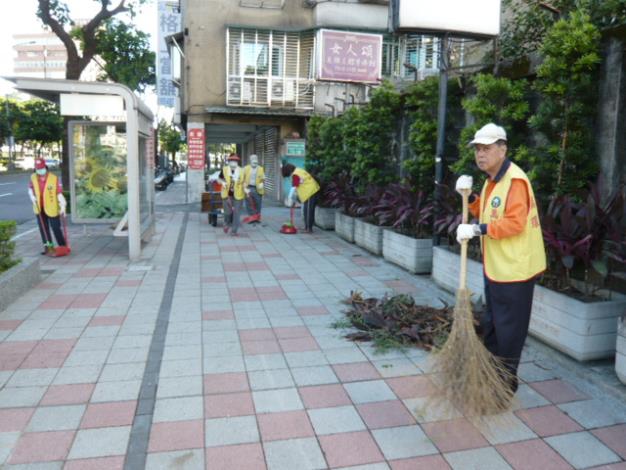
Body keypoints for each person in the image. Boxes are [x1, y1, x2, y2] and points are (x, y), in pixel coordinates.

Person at [455, 123, 546, 394]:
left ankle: (504, 388)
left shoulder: (514, 181)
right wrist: (469, 197)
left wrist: (476, 230)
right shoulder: (491, 180)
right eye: (478, 149)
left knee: (509, 333)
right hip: (497, 267)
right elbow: (487, 212)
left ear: (502, 149)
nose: (480, 154)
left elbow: (514, 224)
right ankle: (491, 379)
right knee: (493, 325)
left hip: (516, 270)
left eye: (487, 148)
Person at [28, 158, 68, 254]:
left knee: (55, 227)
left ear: (45, 167)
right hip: (39, 207)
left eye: (41, 168)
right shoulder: (33, 177)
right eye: (38, 169)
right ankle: (48, 248)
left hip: (51, 207)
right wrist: (32, 196)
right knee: (43, 229)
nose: (40, 171)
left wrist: (63, 204)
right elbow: (30, 189)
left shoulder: (53, 178)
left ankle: (62, 246)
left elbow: (58, 193)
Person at [281, 163, 320, 233]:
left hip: (310, 191)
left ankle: (309, 229)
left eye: (287, 175)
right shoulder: (298, 170)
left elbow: (294, 187)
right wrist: (295, 197)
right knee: (306, 210)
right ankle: (306, 227)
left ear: (288, 171)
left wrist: (289, 197)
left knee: (308, 211)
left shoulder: (295, 175)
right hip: (310, 191)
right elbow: (297, 186)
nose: (288, 177)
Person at [214, 153, 244, 236]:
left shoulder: (241, 171)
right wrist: (222, 182)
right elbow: (219, 179)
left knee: (237, 213)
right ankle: (226, 223)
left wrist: (246, 189)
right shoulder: (224, 169)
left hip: (238, 195)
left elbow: (244, 182)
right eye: (232, 160)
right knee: (228, 212)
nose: (233, 162)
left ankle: (234, 231)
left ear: (238, 162)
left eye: (235, 161)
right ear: (229, 161)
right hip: (226, 195)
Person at [242, 154, 265, 222]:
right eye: (253, 160)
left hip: (257, 188)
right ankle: (251, 217)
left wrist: (262, 183)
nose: (254, 163)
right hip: (248, 188)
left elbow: (263, 178)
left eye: (256, 161)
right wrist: (244, 187)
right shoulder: (246, 168)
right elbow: (241, 179)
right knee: (249, 203)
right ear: (250, 161)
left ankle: (257, 217)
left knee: (258, 203)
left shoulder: (260, 168)